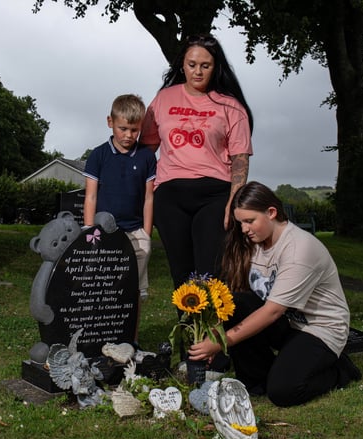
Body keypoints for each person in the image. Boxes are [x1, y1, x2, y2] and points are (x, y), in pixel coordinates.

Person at [188, 182, 362, 407]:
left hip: (319, 329)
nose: (244, 229)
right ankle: (256, 381)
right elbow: (242, 303)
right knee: (238, 303)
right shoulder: (256, 242)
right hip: (287, 323)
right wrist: (214, 333)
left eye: (250, 221)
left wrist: (221, 342)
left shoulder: (299, 249)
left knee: (283, 392)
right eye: (240, 222)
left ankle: (340, 371)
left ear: (271, 212)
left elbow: (272, 311)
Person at [140, 34, 253, 289]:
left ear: (215, 67)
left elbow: (240, 160)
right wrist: (144, 198)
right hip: (169, 195)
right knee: (181, 274)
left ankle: (210, 329)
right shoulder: (163, 99)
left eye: (205, 65)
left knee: (210, 274)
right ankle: (187, 329)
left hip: (215, 196)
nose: (198, 72)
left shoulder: (231, 106)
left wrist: (233, 202)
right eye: (192, 65)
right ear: (182, 64)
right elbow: (146, 152)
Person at [83, 94, 156, 302]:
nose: (128, 135)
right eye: (122, 128)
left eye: (134, 130)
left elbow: (149, 198)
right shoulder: (98, 155)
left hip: (136, 229)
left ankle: (131, 334)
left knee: (135, 291)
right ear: (110, 122)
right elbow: (91, 195)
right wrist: (89, 230)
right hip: (103, 232)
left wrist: (147, 233)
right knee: (105, 285)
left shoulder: (147, 157)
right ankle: (105, 330)